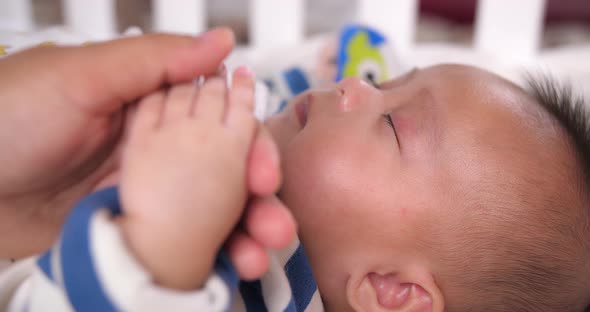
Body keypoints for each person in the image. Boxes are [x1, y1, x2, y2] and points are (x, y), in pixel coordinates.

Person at [2, 31, 590, 312]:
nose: (356, 87)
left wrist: (161, 255)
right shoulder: (271, 129)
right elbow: (335, 57)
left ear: (390, 291)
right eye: (387, 83)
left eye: (391, 125)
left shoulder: (264, 293)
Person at [0, 27, 296, 309]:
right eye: (339, 78)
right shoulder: (266, 103)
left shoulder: (276, 291)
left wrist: (154, 260)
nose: (343, 83)